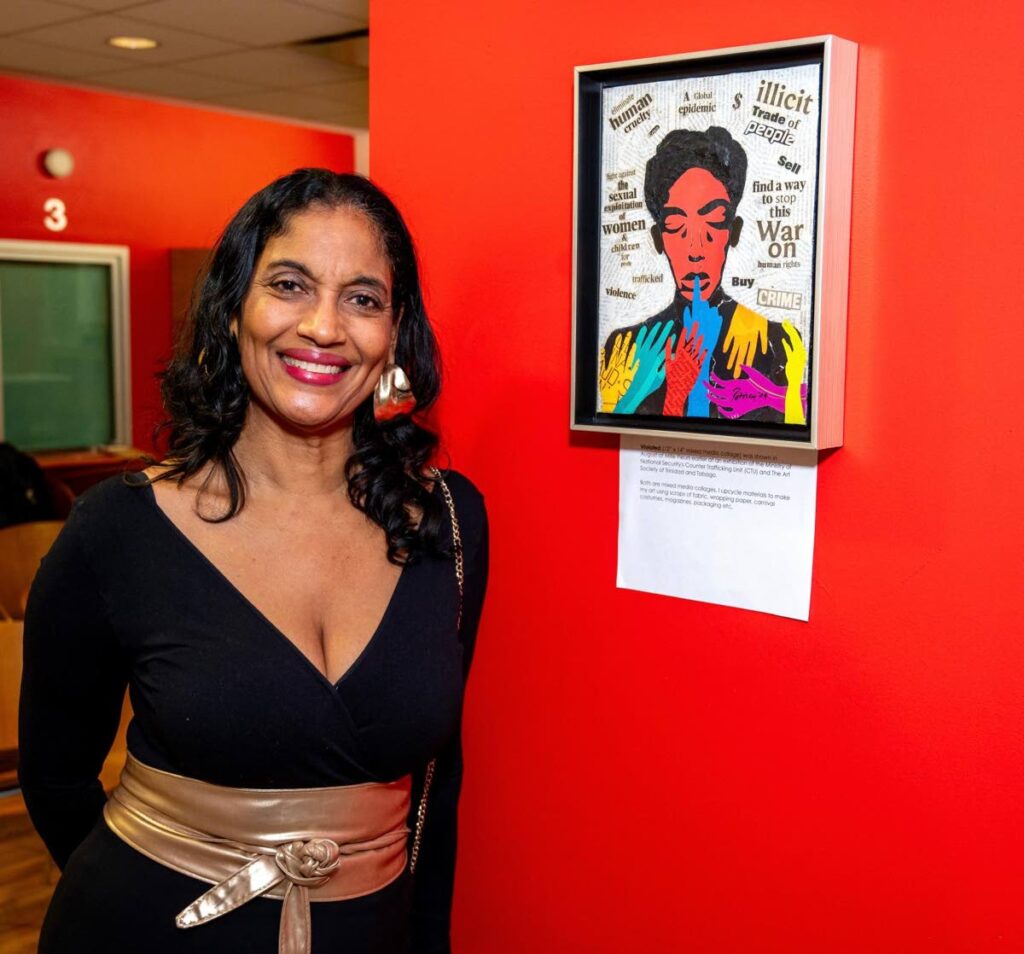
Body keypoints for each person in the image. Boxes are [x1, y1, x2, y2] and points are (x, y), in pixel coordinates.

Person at [18, 169, 488, 953]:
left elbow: (441, 784)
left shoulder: (450, 518)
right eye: (290, 285)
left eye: (363, 298)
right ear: (233, 310)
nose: (325, 327)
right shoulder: (119, 528)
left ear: (395, 333)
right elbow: (55, 775)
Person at [599, 127, 807, 424]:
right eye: (676, 226)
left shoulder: (777, 343)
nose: (695, 249)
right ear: (658, 239)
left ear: (733, 232)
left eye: (712, 222)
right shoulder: (626, 348)